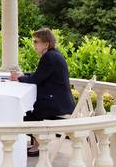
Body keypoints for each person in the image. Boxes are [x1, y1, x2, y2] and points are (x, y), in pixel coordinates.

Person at [9, 27, 75, 156]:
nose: (34, 44)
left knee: (23, 115)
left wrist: (20, 77)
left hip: (55, 104)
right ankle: (37, 144)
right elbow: (40, 75)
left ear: (46, 43)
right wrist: (22, 75)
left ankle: (39, 145)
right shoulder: (53, 55)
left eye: (36, 41)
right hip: (58, 101)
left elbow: (36, 79)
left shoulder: (49, 57)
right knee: (28, 109)